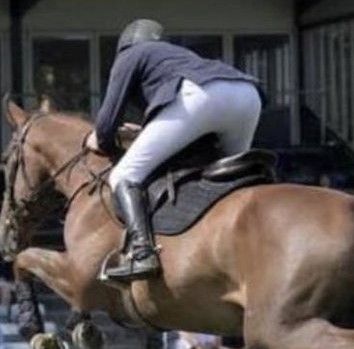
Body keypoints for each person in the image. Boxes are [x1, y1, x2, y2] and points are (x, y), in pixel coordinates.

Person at [84, 19, 264, 281]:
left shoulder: (130, 55)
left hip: (202, 98)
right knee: (234, 182)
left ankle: (143, 253)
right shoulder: (178, 56)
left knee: (123, 175)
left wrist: (99, 140)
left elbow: (106, 124)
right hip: (247, 95)